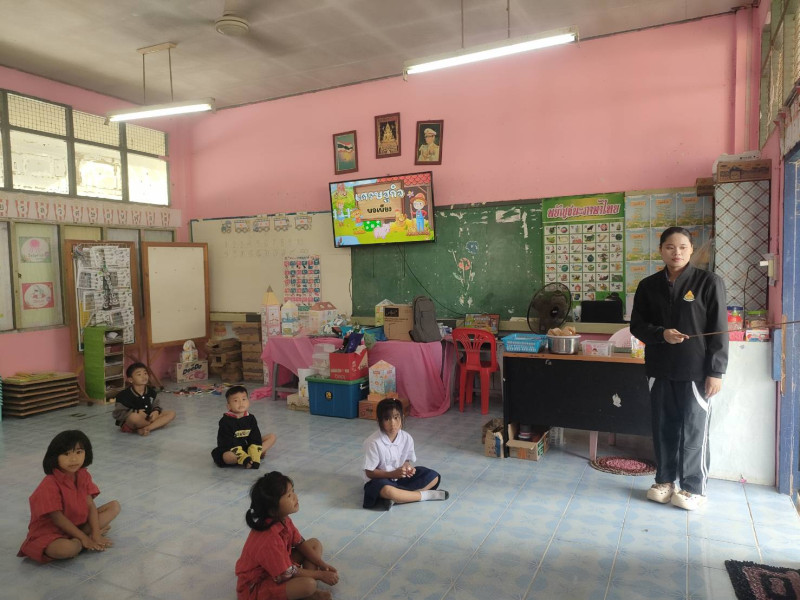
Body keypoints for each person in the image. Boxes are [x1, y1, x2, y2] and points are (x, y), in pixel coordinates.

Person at [630, 226, 728, 511]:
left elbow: (719, 329)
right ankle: (664, 481)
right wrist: (661, 334)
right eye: (670, 247)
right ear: (661, 250)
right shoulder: (648, 286)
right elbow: (637, 326)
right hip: (660, 369)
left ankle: (693, 488)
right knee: (663, 428)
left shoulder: (708, 282)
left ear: (691, 249)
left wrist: (716, 371)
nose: (677, 252)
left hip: (696, 372)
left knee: (694, 430)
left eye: (683, 247)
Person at [18, 430, 121, 563]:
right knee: (66, 549)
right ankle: (79, 541)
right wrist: (84, 539)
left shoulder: (83, 475)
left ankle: (83, 537)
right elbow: (58, 519)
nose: (73, 459)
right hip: (51, 533)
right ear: (54, 456)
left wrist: (96, 534)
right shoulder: (49, 483)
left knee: (114, 506)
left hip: (77, 525)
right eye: (66, 454)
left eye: (79, 452)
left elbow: (90, 506)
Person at [235, 472, 338, 600]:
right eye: (289, 495)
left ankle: (305, 591)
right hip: (256, 587)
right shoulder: (269, 539)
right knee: (309, 584)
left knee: (314, 544)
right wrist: (320, 575)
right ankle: (308, 592)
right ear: (273, 509)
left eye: (293, 491)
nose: (295, 496)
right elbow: (288, 573)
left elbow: (299, 543)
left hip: (278, 569)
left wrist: (322, 564)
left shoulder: (283, 519)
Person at [362, 397, 449, 510]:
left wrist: (407, 468)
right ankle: (425, 495)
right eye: (387, 419)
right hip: (381, 480)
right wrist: (392, 474)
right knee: (387, 490)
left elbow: (406, 460)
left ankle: (398, 498)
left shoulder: (407, 438)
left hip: (400, 478)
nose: (393, 423)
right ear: (379, 421)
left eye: (396, 417)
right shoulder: (373, 442)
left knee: (433, 476)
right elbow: (369, 472)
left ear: (402, 418)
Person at [212, 385, 276, 468]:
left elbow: (255, 437)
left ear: (248, 402)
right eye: (236, 400)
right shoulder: (225, 421)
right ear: (229, 406)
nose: (241, 403)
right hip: (231, 449)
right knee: (227, 456)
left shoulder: (251, 418)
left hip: (246, 446)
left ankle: (254, 455)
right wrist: (244, 458)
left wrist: (255, 451)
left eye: (244, 399)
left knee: (271, 437)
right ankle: (247, 459)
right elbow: (228, 443)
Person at [112, 362, 175, 435]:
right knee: (134, 417)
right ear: (130, 380)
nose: (144, 376)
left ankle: (147, 428)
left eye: (145, 373)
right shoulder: (123, 395)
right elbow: (117, 414)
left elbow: (156, 404)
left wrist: (156, 411)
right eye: (139, 374)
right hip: (132, 421)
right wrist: (136, 411)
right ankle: (156, 424)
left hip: (148, 418)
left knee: (171, 413)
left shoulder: (151, 391)